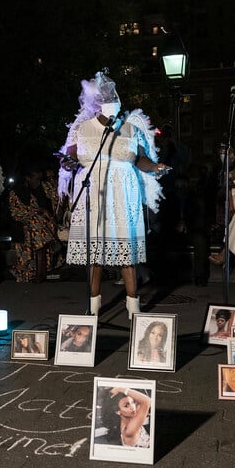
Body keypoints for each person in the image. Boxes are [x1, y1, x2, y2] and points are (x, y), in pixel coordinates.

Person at [58, 70, 168, 318]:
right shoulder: (83, 129)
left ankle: (133, 305)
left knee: (125, 250)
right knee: (95, 251)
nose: (112, 114)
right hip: (93, 191)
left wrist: (155, 167)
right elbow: (71, 157)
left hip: (123, 192)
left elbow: (140, 159)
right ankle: (94, 304)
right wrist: (67, 163)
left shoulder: (129, 129)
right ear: (97, 107)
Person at [8, 164, 59, 283]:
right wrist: (38, 212)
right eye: (36, 179)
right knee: (36, 227)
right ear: (27, 178)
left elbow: (53, 201)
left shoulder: (41, 188)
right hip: (24, 224)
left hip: (42, 224)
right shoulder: (16, 192)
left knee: (38, 227)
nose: (38, 182)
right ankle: (41, 269)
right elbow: (16, 212)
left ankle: (41, 271)